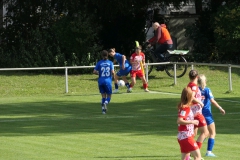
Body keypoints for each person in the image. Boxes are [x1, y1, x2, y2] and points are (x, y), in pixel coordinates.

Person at [198, 74, 226, 157]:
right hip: (207, 114)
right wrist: (220, 108)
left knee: (203, 133)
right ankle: (209, 152)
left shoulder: (196, 90)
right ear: (205, 81)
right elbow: (212, 101)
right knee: (212, 133)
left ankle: (194, 151)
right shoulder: (207, 90)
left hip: (199, 114)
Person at [177, 87, 202, 160]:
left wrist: (193, 116)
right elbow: (179, 120)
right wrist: (192, 121)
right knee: (198, 157)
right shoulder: (185, 108)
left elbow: (184, 117)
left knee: (185, 158)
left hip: (182, 136)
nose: (193, 98)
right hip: (186, 136)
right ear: (189, 97)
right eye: (192, 96)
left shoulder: (184, 107)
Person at [187, 70, 209, 152]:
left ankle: (188, 152)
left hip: (191, 112)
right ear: (197, 77)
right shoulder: (194, 86)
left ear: (189, 77)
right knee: (205, 133)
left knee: (193, 134)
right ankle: (196, 152)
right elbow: (191, 97)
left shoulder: (189, 85)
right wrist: (200, 102)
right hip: (196, 113)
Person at [93, 50, 115, 114]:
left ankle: (103, 110)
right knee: (109, 96)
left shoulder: (99, 62)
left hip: (100, 81)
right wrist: (114, 77)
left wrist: (99, 74)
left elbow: (94, 71)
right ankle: (106, 103)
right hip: (107, 81)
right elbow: (113, 72)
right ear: (107, 55)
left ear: (101, 55)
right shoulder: (110, 63)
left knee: (103, 96)